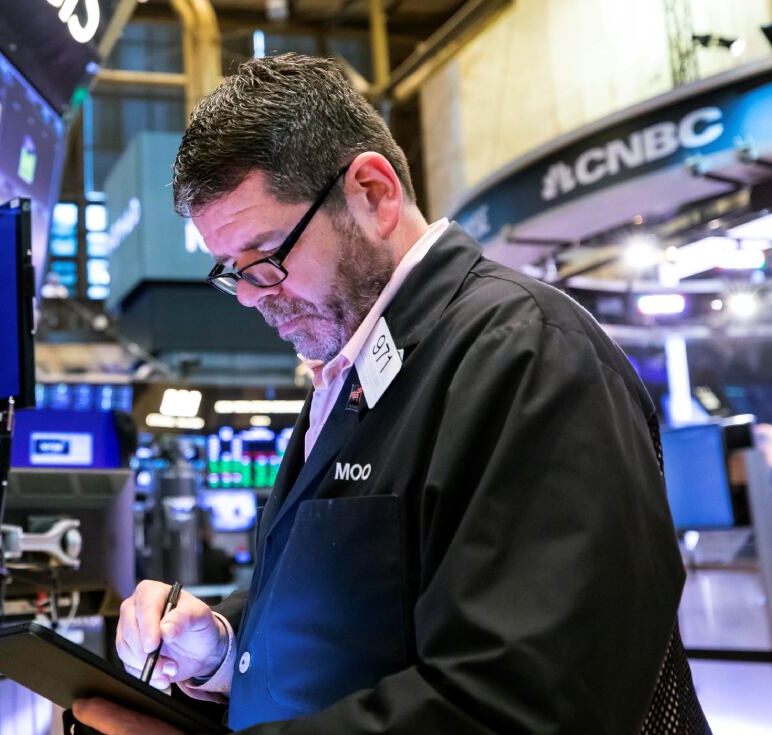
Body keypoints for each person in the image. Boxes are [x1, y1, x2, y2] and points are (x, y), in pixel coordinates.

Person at [74, 54, 709, 734]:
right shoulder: (348, 366)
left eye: (266, 258)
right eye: (235, 273)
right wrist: (222, 645)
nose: (254, 298)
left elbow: (520, 706)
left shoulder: (527, 352)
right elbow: (359, 616)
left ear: (374, 193)